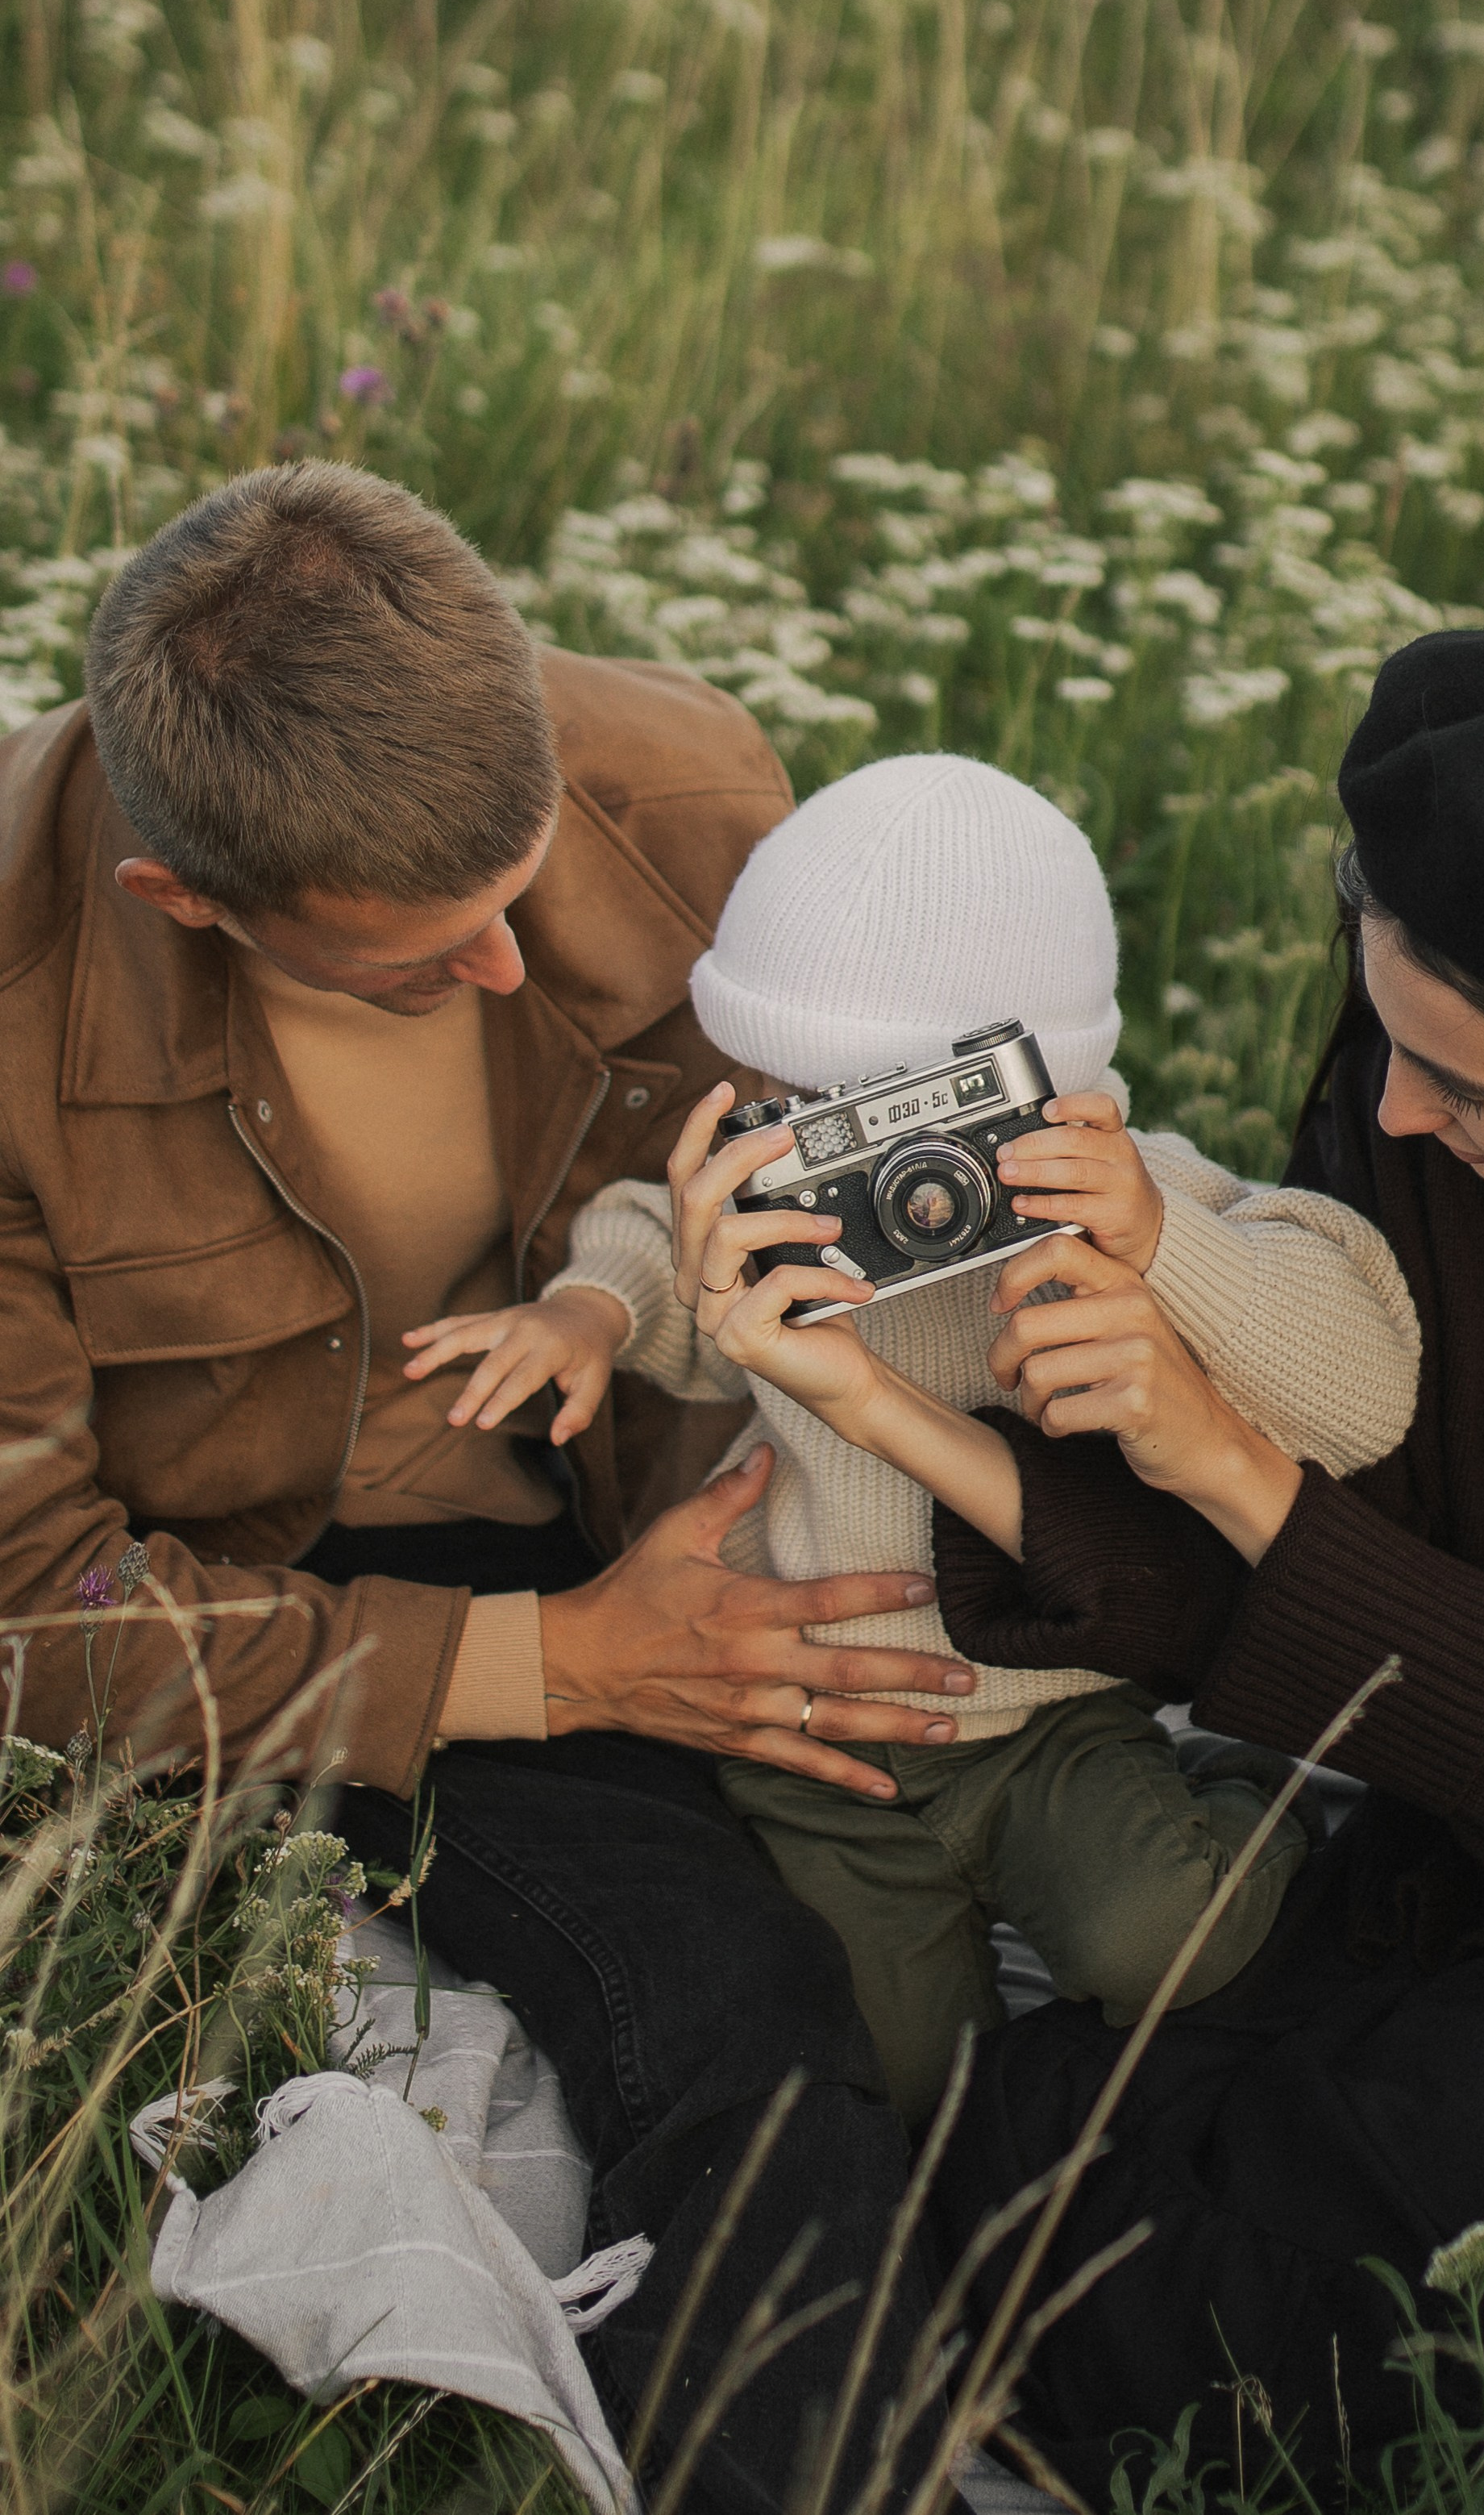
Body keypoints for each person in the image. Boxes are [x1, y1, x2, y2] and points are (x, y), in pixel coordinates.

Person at [0, 460, 1007, 2513]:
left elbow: (859, 1202)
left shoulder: (694, 786)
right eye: (400, 966)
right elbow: (39, 1615)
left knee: (997, 1923)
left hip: (688, 1498)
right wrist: (566, 1667)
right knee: (724, 1994)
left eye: (514, 897)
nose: (495, 978)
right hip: (279, 1604)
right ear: (181, 901)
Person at [913, 631, 1484, 2500]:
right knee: (1023, 2124)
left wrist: (1239, 1468)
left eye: (1476, 1093)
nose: (1403, 1118)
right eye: (1392, 1041)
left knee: (1349, 2258)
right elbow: (1388, 1508)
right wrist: (971, 1423)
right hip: (1454, 1798)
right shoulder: (1428, 1086)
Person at [403, 754, 1422, 2126]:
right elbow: (667, 1238)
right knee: (904, 2070)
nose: (865, 1171)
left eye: (899, 1128)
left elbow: (1360, 1382)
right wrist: (594, 1310)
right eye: (793, 1101)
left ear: (1038, 1087)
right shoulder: (783, 1183)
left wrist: (1157, 1239)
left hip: (1050, 1714)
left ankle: (1247, 1795)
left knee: (1166, 1937)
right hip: (819, 1724)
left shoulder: (1106, 1193)